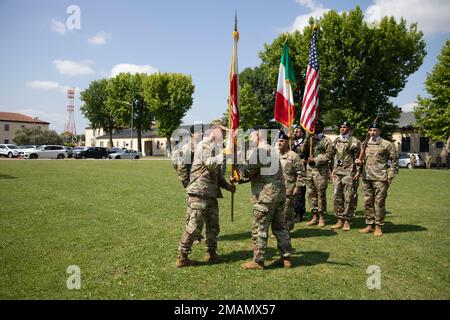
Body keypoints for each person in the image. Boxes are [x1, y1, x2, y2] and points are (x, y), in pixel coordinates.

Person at [176, 120, 236, 268]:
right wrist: (225, 153)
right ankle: (182, 257)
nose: (224, 136)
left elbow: (216, 174)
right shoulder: (204, 145)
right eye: (223, 133)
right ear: (214, 131)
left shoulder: (215, 148)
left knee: (213, 226)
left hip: (211, 194)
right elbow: (210, 163)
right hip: (199, 193)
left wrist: (228, 186)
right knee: (194, 227)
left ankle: (211, 253)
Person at [233, 125, 293, 270]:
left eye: (252, 135)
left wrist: (235, 157)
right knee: (280, 228)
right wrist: (239, 178)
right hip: (279, 195)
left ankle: (258, 261)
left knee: (259, 228)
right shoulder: (271, 149)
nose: (250, 138)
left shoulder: (260, 151)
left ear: (258, 135)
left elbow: (247, 171)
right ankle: (286, 259)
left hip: (266, 197)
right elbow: (258, 173)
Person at [355, 122, 398, 237]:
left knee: (379, 203)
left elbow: (394, 162)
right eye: (370, 130)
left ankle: (378, 226)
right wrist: (359, 163)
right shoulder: (365, 144)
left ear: (379, 131)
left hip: (380, 178)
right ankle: (369, 224)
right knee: (368, 202)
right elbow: (362, 159)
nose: (372, 133)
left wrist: (389, 177)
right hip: (366, 177)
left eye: (375, 130)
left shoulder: (386, 144)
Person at [301, 120, 333, 228]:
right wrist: (307, 138)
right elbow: (303, 150)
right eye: (312, 126)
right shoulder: (310, 139)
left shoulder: (326, 140)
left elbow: (328, 155)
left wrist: (315, 160)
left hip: (320, 171)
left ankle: (322, 217)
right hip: (310, 170)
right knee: (310, 194)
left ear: (321, 128)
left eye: (316, 126)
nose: (314, 128)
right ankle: (314, 216)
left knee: (320, 194)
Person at [176, 125, 205, 245]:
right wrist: (187, 184)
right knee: (191, 212)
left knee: (198, 211)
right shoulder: (189, 147)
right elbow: (182, 168)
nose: (202, 133)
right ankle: (193, 237)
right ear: (192, 134)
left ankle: (198, 234)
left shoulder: (201, 146)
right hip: (192, 184)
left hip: (200, 184)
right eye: (199, 132)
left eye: (203, 131)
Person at [330, 121, 361, 231]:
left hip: (349, 173)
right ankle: (339, 219)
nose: (342, 129)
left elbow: (359, 159)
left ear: (349, 129)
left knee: (349, 197)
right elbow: (332, 156)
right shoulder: (335, 141)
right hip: (337, 173)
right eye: (341, 127)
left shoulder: (355, 142)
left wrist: (358, 172)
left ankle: (347, 220)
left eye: (345, 127)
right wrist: (331, 171)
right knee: (337, 197)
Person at [277, 130, 306, 231]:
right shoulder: (275, 155)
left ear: (287, 142)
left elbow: (301, 173)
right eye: (278, 141)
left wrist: (298, 187)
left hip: (289, 188)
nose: (279, 143)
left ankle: (286, 230)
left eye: (282, 141)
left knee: (286, 211)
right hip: (276, 189)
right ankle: (281, 229)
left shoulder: (293, 156)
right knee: (278, 212)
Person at [291, 125, 307, 222]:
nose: (297, 132)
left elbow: (308, 155)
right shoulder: (291, 142)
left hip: (302, 170)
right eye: (295, 131)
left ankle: (299, 213)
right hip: (291, 171)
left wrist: (304, 160)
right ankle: (292, 211)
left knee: (300, 192)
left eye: (299, 131)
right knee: (292, 192)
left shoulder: (306, 141)